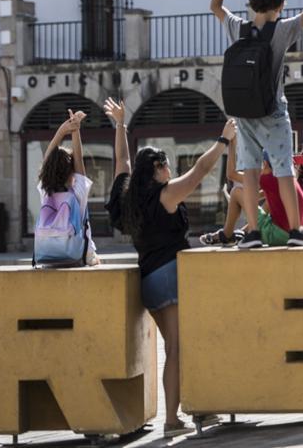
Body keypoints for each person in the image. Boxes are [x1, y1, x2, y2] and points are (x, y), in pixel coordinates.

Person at [103, 97, 236, 438]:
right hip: (172, 275)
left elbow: (121, 160)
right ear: (157, 170)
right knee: (183, 347)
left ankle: (177, 416)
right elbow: (201, 172)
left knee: (174, 347)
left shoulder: (129, 199)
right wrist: (222, 141)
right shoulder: (166, 195)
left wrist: (121, 124)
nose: (169, 168)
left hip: (148, 280)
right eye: (164, 164)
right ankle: (187, 415)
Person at [210, 0, 303, 249]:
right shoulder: (282, 30)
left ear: (251, 4)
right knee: (283, 169)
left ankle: (251, 233)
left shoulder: (238, 28)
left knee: (249, 172)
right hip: (273, 112)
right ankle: (297, 230)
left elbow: (215, 7)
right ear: (280, 5)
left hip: (243, 114)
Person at [37, 110, 99, 266]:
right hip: (78, 257)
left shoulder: (45, 193)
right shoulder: (77, 194)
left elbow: (47, 161)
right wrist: (75, 130)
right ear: (71, 172)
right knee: (97, 262)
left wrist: (62, 131)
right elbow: (79, 159)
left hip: (48, 258)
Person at [199, 134, 247, 246]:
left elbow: (231, 174)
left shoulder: (268, 174)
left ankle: (227, 234)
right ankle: (238, 233)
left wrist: (232, 144)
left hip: (275, 229)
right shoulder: (281, 177)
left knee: (236, 192)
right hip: (279, 226)